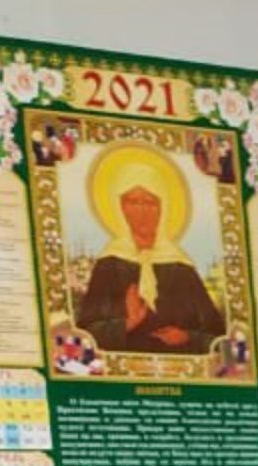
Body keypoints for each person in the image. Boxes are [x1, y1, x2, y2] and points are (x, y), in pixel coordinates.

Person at [78, 150, 225, 353]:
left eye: (150, 202)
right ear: (120, 207)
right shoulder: (109, 264)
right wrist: (126, 324)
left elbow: (218, 338)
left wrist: (187, 337)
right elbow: (83, 335)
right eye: (132, 202)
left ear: (163, 208)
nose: (141, 211)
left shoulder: (181, 267)